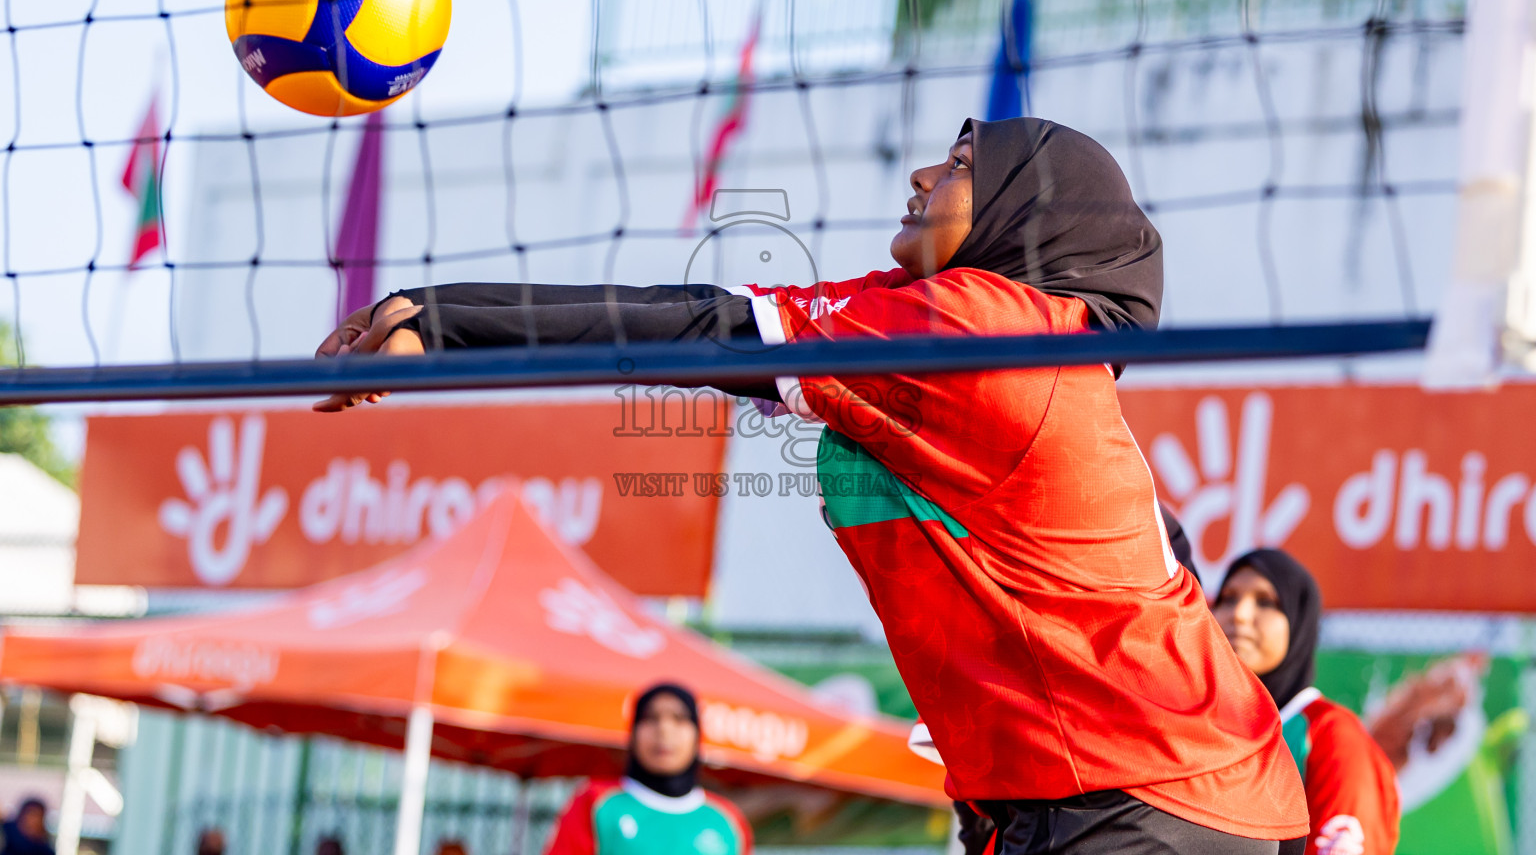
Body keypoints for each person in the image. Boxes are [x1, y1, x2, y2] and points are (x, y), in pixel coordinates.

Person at [315, 116, 1307, 853]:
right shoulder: (953, 324)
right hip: (1104, 790)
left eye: (963, 165)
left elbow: (704, 332)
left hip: (1150, 794)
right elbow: (711, 321)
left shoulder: (984, 331)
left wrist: (443, 320)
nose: (924, 170)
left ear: (1023, 216)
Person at [1212, 550, 1400, 855]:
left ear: (1299, 620)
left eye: (1265, 602)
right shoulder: (1204, 728)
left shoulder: (1331, 734)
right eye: (1228, 599)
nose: (1239, 614)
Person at [542, 683, 751, 854]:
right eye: (650, 718)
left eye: (679, 719)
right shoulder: (596, 802)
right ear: (632, 733)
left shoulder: (727, 820)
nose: (664, 730)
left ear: (697, 735)